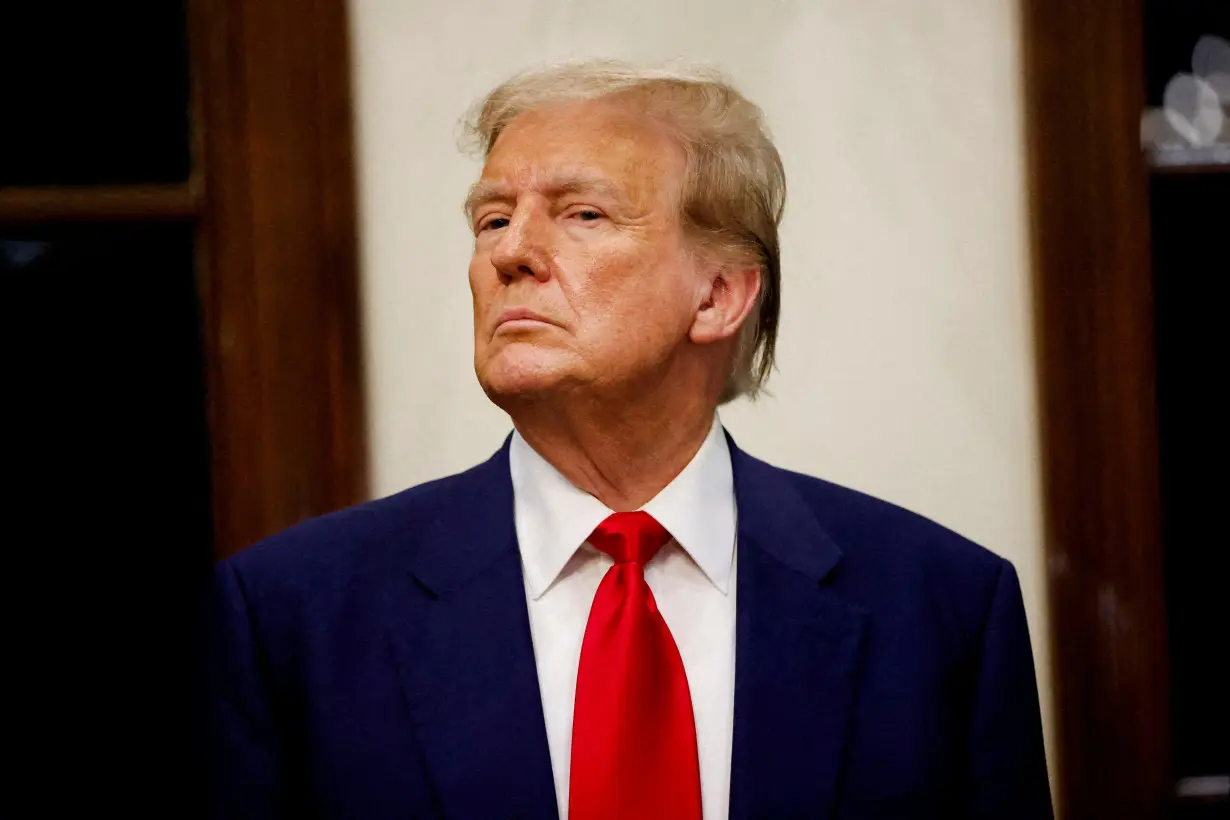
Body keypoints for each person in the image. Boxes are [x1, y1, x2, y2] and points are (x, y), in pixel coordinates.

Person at [207, 61, 1052, 819]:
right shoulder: (292, 615)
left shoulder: (940, 608)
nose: (512, 254)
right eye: (492, 219)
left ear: (719, 295)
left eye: (582, 213)